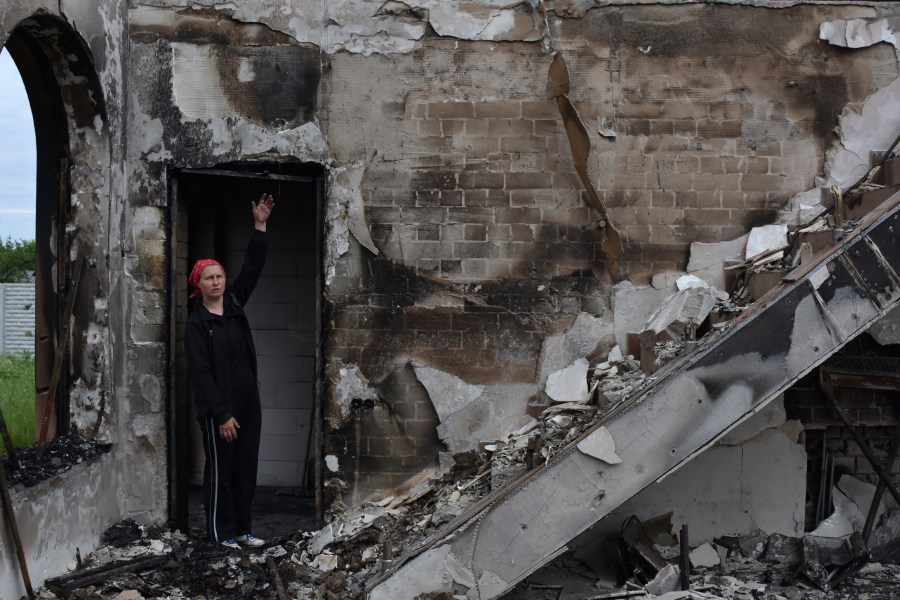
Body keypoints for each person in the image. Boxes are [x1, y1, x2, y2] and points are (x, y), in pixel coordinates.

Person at [184, 193, 274, 550]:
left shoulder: (234, 303)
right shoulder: (197, 324)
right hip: (220, 407)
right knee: (221, 472)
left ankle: (243, 529)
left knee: (245, 470)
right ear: (199, 285)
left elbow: (252, 268)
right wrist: (221, 414)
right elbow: (201, 374)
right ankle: (220, 534)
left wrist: (260, 226)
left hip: (248, 399)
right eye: (209, 278)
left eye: (220, 276)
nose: (217, 282)